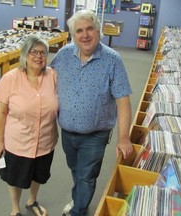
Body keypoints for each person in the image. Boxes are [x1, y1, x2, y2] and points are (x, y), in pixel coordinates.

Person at [50, 10, 133, 216]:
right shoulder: (63, 56)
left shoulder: (112, 60)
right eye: (79, 31)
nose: (85, 35)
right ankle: (79, 198)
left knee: (87, 176)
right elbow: (45, 82)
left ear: (98, 31)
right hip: (67, 132)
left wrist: (123, 138)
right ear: (73, 35)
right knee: (76, 171)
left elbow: (123, 101)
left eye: (89, 29)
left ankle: (78, 210)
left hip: (95, 135)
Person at [0, 35, 58, 216]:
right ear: (24, 55)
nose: (39, 56)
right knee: (14, 177)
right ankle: (15, 209)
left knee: (39, 175)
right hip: (18, 142)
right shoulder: (10, 78)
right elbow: (1, 114)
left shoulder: (53, 76)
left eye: (43, 53)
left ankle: (32, 201)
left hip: (46, 141)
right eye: (33, 52)